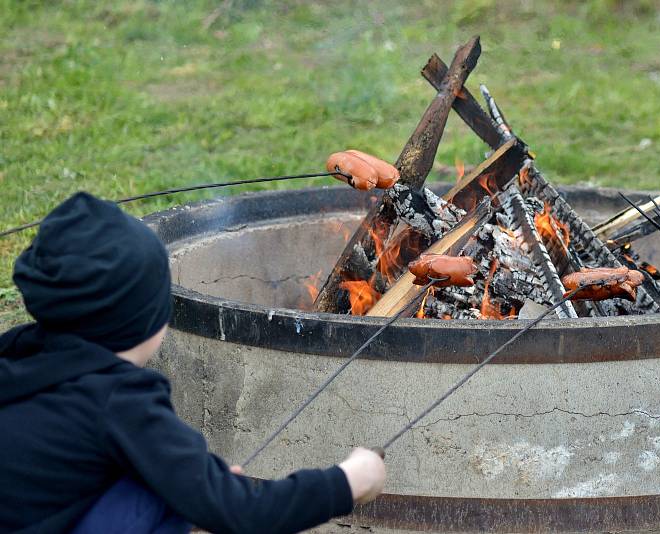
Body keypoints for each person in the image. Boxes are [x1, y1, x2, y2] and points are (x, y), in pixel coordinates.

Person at [0, 192, 386, 533]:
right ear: (145, 317)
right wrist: (350, 481)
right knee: (160, 498)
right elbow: (247, 515)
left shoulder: (18, 353)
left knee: (165, 484)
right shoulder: (119, 399)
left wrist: (205, 483)